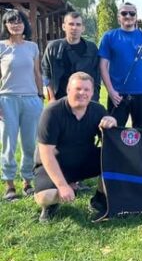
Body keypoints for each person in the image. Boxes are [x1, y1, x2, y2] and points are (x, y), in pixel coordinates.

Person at [34, 72, 117, 222]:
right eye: (78, 88)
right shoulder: (52, 113)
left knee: (114, 159)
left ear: (92, 92)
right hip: (56, 163)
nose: (82, 93)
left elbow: (111, 143)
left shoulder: (98, 110)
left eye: (86, 89)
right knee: (45, 197)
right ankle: (51, 205)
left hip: (84, 159)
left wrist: (112, 122)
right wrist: (62, 185)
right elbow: (46, 154)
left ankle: (99, 200)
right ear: (68, 90)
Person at [0, 9, 44, 200]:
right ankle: (9, 184)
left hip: (31, 100)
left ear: (25, 24)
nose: (16, 25)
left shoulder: (32, 47)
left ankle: (27, 181)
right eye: (11, 21)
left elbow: (37, 73)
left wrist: (40, 96)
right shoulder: (1, 47)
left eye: (19, 21)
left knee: (29, 144)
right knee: (8, 145)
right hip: (7, 100)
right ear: (6, 25)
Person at [99, 2, 142, 128]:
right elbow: (103, 66)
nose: (128, 16)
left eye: (132, 13)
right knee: (114, 130)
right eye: (124, 13)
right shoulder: (109, 37)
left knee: (141, 132)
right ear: (118, 17)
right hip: (117, 94)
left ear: (136, 17)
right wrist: (110, 91)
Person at [42, 11, 100, 102]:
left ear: (83, 28)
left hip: (85, 100)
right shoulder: (53, 48)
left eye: (78, 24)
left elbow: (96, 77)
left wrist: (94, 99)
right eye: (71, 24)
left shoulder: (91, 49)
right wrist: (52, 98)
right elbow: (46, 74)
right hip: (60, 100)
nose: (74, 28)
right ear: (64, 27)